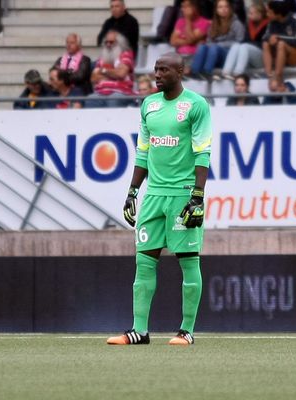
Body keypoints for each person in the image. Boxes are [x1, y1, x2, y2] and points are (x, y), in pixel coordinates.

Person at [107, 52, 212, 346]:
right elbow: (143, 151)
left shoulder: (196, 105)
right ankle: (139, 330)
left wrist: (198, 196)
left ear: (181, 71)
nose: (157, 74)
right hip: (153, 195)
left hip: (182, 195)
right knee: (144, 261)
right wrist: (132, 191)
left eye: (164, 70)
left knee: (188, 261)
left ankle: (186, 331)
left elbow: (203, 151)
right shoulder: (149, 105)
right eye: (156, 69)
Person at [189, 0, 245, 80]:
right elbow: (209, 41)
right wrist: (212, 45)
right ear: (216, 10)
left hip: (229, 55)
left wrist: (219, 44)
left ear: (230, 9)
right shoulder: (213, 25)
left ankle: (207, 72)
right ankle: (195, 72)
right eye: (220, 7)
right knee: (202, 47)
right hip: (213, 54)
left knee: (214, 48)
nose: (223, 9)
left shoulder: (236, 23)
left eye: (226, 7)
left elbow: (239, 42)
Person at [262, 0, 296, 86]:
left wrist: (278, 37)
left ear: (278, 14)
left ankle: (278, 77)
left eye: (269, 12)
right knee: (266, 44)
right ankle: (269, 76)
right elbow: (264, 37)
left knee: (281, 44)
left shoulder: (295, 20)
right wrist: (270, 38)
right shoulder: (272, 22)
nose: (267, 15)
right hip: (281, 55)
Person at [86, 30, 136, 108]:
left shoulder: (126, 55)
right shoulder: (101, 58)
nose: (108, 44)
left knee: (114, 98)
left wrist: (103, 71)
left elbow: (121, 74)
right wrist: (114, 74)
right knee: (90, 98)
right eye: (106, 42)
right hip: (101, 92)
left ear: (119, 43)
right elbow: (93, 78)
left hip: (120, 91)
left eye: (111, 42)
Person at [221, 1, 269, 80]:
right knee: (236, 45)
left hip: (262, 58)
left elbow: (263, 44)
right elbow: (244, 40)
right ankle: (226, 72)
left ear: (260, 14)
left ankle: (238, 74)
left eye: (252, 13)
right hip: (249, 55)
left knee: (244, 46)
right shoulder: (249, 24)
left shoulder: (268, 25)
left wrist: (249, 44)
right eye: (249, 13)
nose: (249, 15)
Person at [169, 0, 211, 73]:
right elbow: (173, 41)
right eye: (182, 7)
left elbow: (191, 39)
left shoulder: (204, 22)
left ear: (195, 7)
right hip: (179, 55)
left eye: (186, 7)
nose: (182, 9)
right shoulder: (180, 21)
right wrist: (188, 41)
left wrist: (188, 20)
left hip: (193, 57)